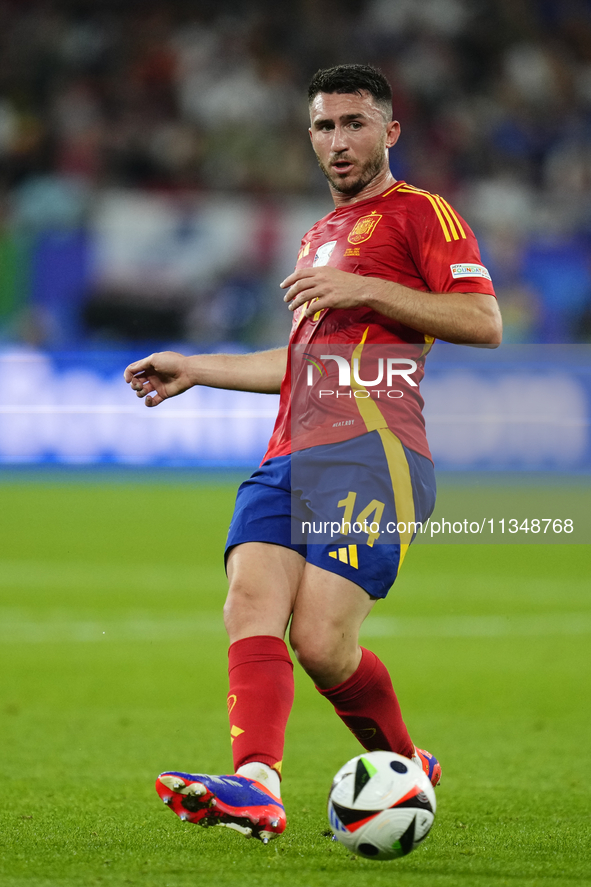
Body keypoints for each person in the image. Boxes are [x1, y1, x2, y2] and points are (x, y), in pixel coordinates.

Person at [124, 64, 502, 843]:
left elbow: (481, 319)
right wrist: (197, 367)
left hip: (372, 448)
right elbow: (297, 360)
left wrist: (367, 293)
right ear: (309, 137)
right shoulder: (317, 235)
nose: (338, 140)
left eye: (354, 123)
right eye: (324, 126)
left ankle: (404, 764)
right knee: (248, 601)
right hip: (290, 449)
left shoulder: (420, 213)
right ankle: (256, 783)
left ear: (389, 131)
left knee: (323, 643)